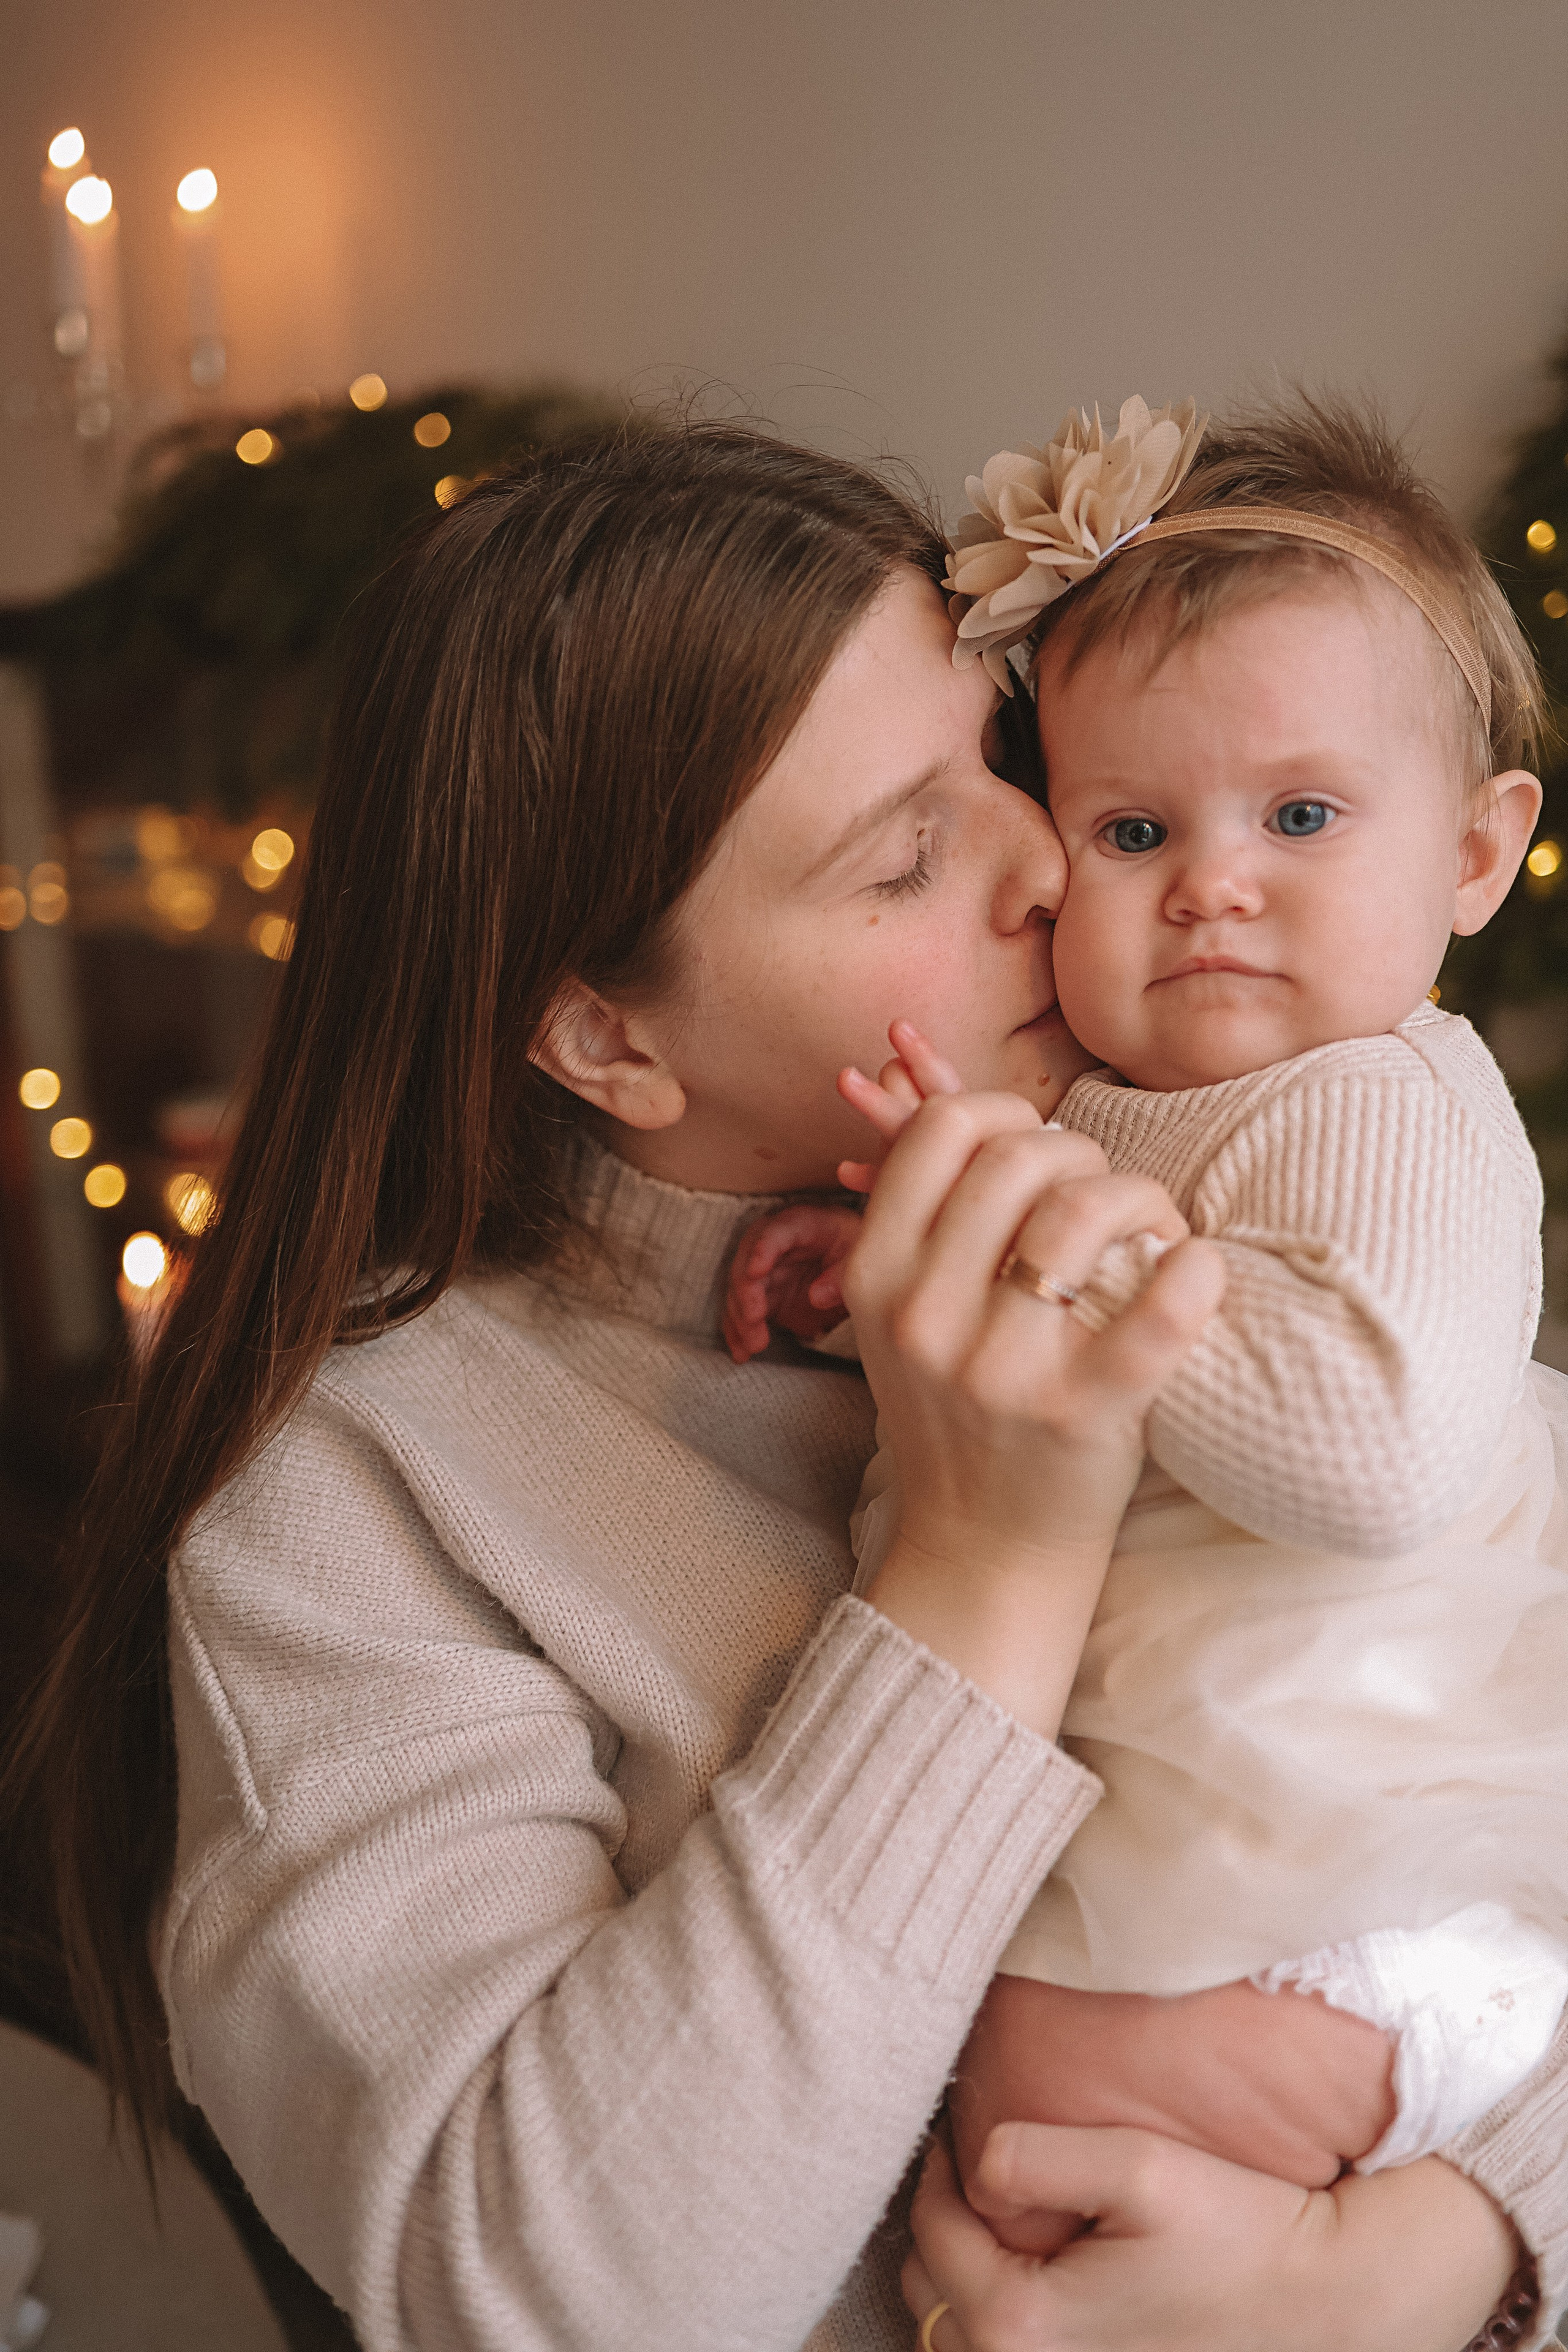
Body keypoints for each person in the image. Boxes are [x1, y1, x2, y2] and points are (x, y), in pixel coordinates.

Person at [10, 420, 1564, 2352]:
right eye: (908, 850)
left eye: (1011, 761)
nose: (1054, 860)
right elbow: (548, 2295)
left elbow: (1488, 1752)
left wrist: (1463, 2256)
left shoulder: (1227, 1171)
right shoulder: (358, 1508)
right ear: (605, 1033)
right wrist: (984, 1564)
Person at [728, 393, 1568, 2269]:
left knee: (1048, 2115)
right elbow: (1063, 1393)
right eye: (1130, 825)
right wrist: (879, 1270)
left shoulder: (1383, 1099)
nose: (1212, 880)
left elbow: (1364, 1451)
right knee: (1021, 2130)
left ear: (1476, 853)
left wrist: (1045, 1245)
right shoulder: (1117, 1090)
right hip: (1215, 1845)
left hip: (1357, 1866)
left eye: (1302, 814)